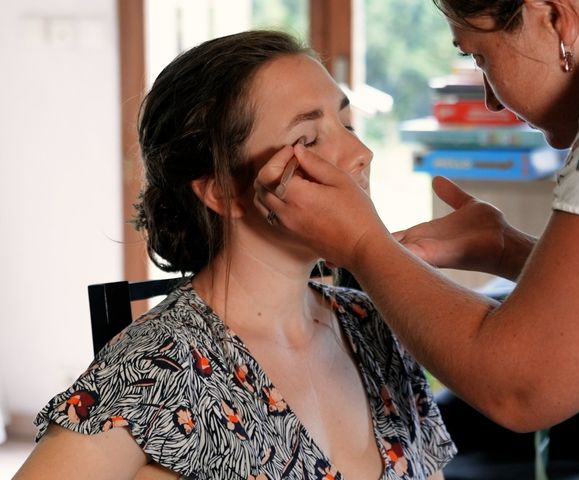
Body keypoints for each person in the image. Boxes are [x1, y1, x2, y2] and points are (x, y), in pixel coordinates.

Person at [14, 31, 455, 480]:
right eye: (308, 139)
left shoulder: (376, 325)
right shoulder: (157, 369)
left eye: (348, 126)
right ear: (221, 191)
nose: (361, 153)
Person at [253, 0, 579, 433]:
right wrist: (507, 251)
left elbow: (520, 386)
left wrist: (365, 246)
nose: (490, 101)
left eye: (481, 57)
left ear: (553, 16)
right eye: (308, 138)